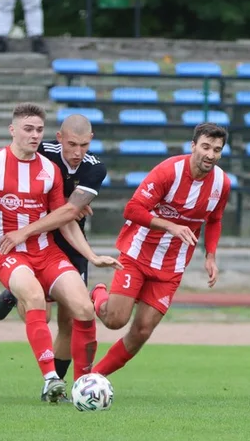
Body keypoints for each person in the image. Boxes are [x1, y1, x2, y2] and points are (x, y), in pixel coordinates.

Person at [0, 103, 121, 403]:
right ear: (12, 129)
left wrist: (93, 256)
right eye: (28, 129)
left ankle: (84, 385)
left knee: (83, 309)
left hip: (48, 249)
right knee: (34, 298)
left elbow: (65, 216)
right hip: (7, 250)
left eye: (38, 130)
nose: (34, 135)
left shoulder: (49, 169)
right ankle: (51, 379)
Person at [84, 123, 232, 378]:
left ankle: (92, 378)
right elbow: (131, 209)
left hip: (171, 266)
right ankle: (98, 293)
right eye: (206, 147)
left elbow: (215, 220)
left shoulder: (221, 183)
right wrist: (170, 226)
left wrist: (210, 256)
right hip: (137, 253)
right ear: (193, 145)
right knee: (115, 320)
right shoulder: (168, 172)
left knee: (142, 331)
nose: (210, 154)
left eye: (217, 150)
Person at [0, 113, 107, 385]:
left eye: (84, 146)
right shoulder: (42, 151)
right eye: (71, 145)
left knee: (72, 317)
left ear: (91, 141)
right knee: (39, 308)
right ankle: (19, 290)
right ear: (59, 139)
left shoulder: (95, 168)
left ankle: (59, 384)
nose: (77, 152)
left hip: (70, 240)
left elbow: (70, 211)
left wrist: (71, 205)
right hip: (34, 241)